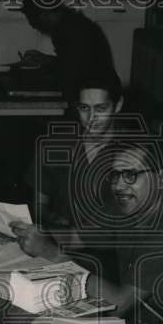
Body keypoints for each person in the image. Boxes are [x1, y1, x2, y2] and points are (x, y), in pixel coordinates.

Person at [14, 138, 163, 321]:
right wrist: (32, 233)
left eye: (130, 175)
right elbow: (75, 237)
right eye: (115, 175)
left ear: (162, 178)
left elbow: (118, 304)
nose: (118, 186)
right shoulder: (131, 202)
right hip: (140, 316)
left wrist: (51, 253)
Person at [24, 71, 123, 232]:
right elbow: (39, 205)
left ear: (118, 105)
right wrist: (53, 218)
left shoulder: (133, 152)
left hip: (110, 249)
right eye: (84, 108)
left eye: (101, 108)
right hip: (56, 240)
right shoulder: (54, 145)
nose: (91, 118)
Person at [18, 0, 117, 99]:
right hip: (96, 90)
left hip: (96, 95)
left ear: (44, 14)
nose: (33, 26)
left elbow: (73, 71)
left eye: (33, 20)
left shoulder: (70, 30)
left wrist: (47, 62)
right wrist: (45, 59)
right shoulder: (70, 24)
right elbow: (71, 62)